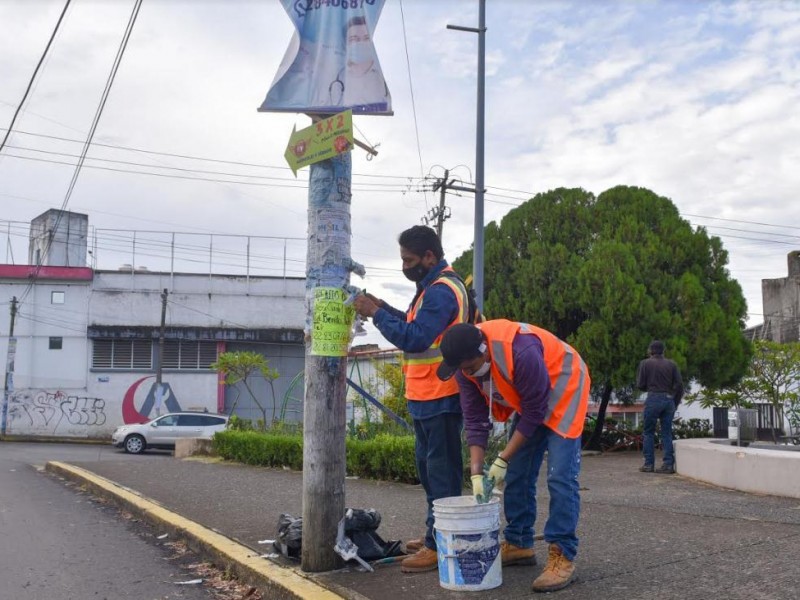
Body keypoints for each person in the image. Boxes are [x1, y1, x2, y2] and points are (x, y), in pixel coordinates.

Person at [437, 320, 590, 593]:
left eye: (470, 367)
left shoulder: (520, 351)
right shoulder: (464, 367)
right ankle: (519, 542)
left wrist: (502, 458)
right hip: (533, 396)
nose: (467, 373)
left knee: (560, 476)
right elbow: (474, 420)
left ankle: (562, 553)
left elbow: (533, 413)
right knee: (518, 473)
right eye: (462, 369)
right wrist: (475, 471)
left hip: (564, 385)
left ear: (484, 350)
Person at [352, 225, 472, 573]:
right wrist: (383, 306)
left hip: (441, 395)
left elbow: (417, 337)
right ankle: (435, 533)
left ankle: (440, 545)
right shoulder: (430, 289)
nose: (404, 265)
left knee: (442, 475)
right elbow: (411, 322)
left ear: (429, 257)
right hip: (426, 395)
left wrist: (375, 314)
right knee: (429, 471)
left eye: (409, 259)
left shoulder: (440, 291)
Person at [637, 340, 684, 474]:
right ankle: (668, 464)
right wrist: (674, 402)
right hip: (669, 400)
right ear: (663, 351)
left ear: (651, 351)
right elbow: (679, 385)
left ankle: (648, 464)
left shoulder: (645, 363)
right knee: (666, 433)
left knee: (648, 432)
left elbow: (640, 385)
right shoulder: (672, 364)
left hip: (653, 399)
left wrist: (651, 387)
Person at [329, 15, 390, 112]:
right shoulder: (337, 79)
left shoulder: (382, 79)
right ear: (345, 45)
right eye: (354, 39)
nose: (361, 43)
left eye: (366, 38)